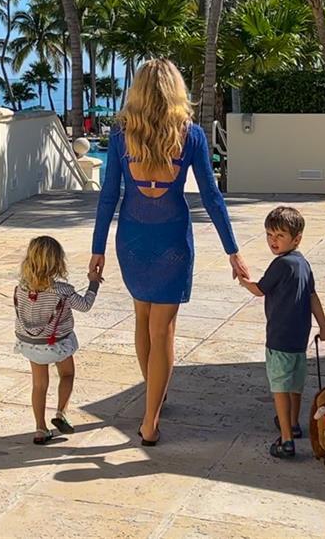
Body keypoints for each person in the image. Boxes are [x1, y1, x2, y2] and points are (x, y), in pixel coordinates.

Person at [91, 59, 246, 446]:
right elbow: (211, 196)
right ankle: (150, 421)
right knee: (163, 331)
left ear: (138, 91)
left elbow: (109, 196)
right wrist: (233, 251)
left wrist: (98, 249)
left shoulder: (122, 134)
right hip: (172, 240)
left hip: (131, 240)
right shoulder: (189, 135)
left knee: (143, 320)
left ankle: (153, 396)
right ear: (177, 90)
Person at [238, 205, 325, 459]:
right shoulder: (303, 263)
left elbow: (260, 290)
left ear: (296, 238)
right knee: (295, 384)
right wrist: (324, 325)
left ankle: (286, 440)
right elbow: (313, 297)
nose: (273, 241)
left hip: (279, 337)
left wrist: (243, 280)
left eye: (279, 236)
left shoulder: (280, 265)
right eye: (269, 235)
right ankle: (293, 423)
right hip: (299, 338)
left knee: (279, 387)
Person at [13, 235, 100, 444]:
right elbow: (85, 305)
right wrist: (93, 284)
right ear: (57, 263)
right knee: (67, 375)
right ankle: (61, 413)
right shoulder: (62, 290)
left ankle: (40, 429)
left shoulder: (22, 288)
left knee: (39, 386)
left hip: (30, 344)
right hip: (56, 343)